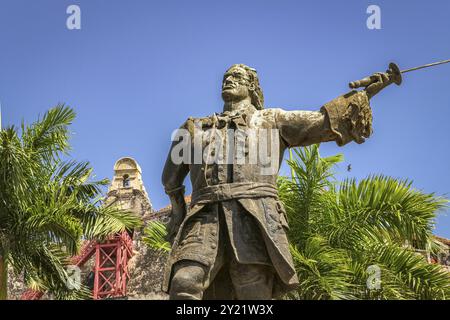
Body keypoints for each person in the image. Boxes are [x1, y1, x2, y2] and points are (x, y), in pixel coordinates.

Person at [161, 64, 391, 299]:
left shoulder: (272, 120)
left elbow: (322, 122)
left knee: (252, 286)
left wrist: (365, 94)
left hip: (255, 216)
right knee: (184, 281)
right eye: (226, 76)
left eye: (236, 77)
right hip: (204, 217)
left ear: (252, 86)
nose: (228, 80)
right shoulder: (192, 128)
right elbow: (170, 179)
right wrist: (178, 212)